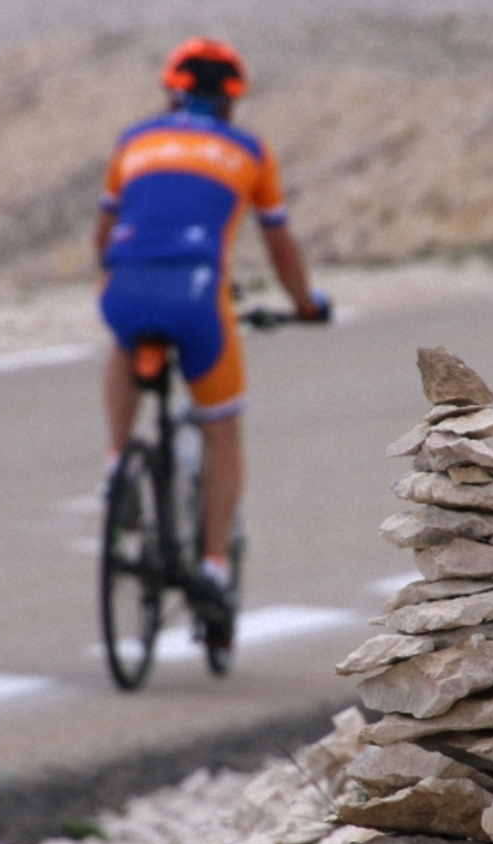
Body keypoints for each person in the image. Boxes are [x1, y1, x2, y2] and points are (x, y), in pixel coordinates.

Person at [96, 37, 327, 639]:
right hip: (199, 297)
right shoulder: (249, 150)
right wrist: (305, 304)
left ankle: (118, 464)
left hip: (126, 287)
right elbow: (278, 241)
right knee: (222, 431)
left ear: (172, 91)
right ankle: (215, 567)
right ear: (231, 102)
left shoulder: (135, 141)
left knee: (125, 341)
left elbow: (104, 233)